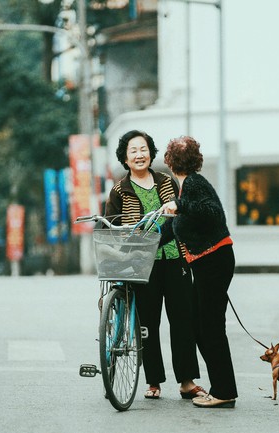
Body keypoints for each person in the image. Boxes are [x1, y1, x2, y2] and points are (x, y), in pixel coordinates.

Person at [104, 129, 205, 400]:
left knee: (183, 320)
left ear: (151, 153)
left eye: (144, 149)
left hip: (174, 257)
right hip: (141, 264)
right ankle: (153, 381)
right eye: (133, 151)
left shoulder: (167, 181)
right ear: (125, 158)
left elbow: (181, 213)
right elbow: (111, 227)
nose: (140, 155)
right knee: (147, 324)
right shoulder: (119, 190)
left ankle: (186, 381)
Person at [160, 135, 238, 409]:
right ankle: (222, 387)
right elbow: (175, 227)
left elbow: (213, 212)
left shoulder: (193, 184)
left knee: (210, 327)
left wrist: (180, 206)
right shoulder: (183, 188)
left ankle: (224, 391)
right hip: (209, 262)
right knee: (198, 324)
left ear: (169, 162)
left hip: (214, 261)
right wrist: (145, 239)